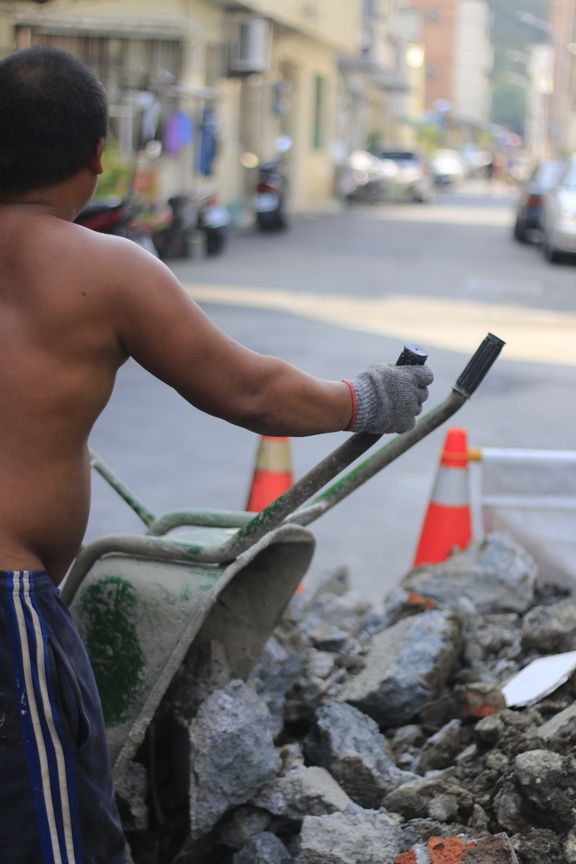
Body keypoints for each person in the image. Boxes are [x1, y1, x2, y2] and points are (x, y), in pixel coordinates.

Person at [0, 46, 433, 864]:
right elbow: (250, 393)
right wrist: (369, 399)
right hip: (5, 604)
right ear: (98, 157)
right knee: (50, 841)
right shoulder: (105, 268)